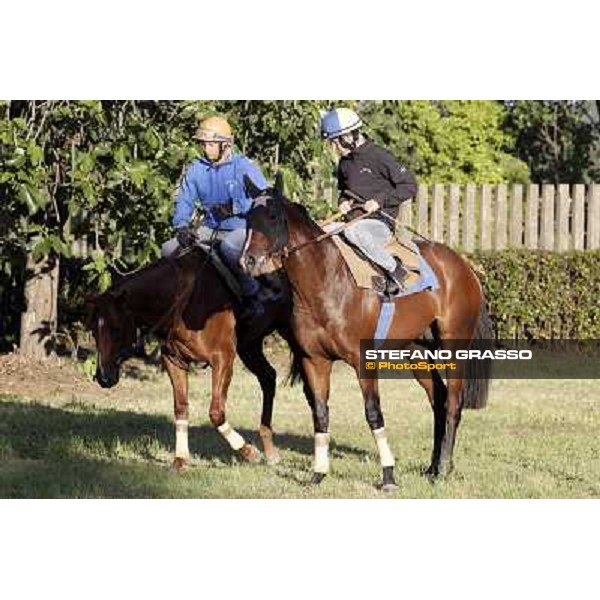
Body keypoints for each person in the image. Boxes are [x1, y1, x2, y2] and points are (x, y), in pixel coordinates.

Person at [161, 115, 267, 317]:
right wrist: (181, 226)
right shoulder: (196, 170)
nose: (205, 148)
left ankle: (253, 296)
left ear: (225, 145)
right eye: (203, 144)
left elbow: (263, 199)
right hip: (209, 228)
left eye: (210, 144)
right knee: (168, 249)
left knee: (228, 249)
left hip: (242, 228)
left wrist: (235, 207)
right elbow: (184, 199)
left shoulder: (244, 166)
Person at [320, 107, 418, 294]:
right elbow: (345, 192)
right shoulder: (344, 163)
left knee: (354, 232)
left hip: (378, 225)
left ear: (349, 136)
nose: (333, 148)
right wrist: (343, 201)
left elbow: (410, 185)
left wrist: (379, 201)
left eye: (335, 142)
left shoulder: (380, 156)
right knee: (320, 232)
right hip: (351, 223)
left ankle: (396, 270)